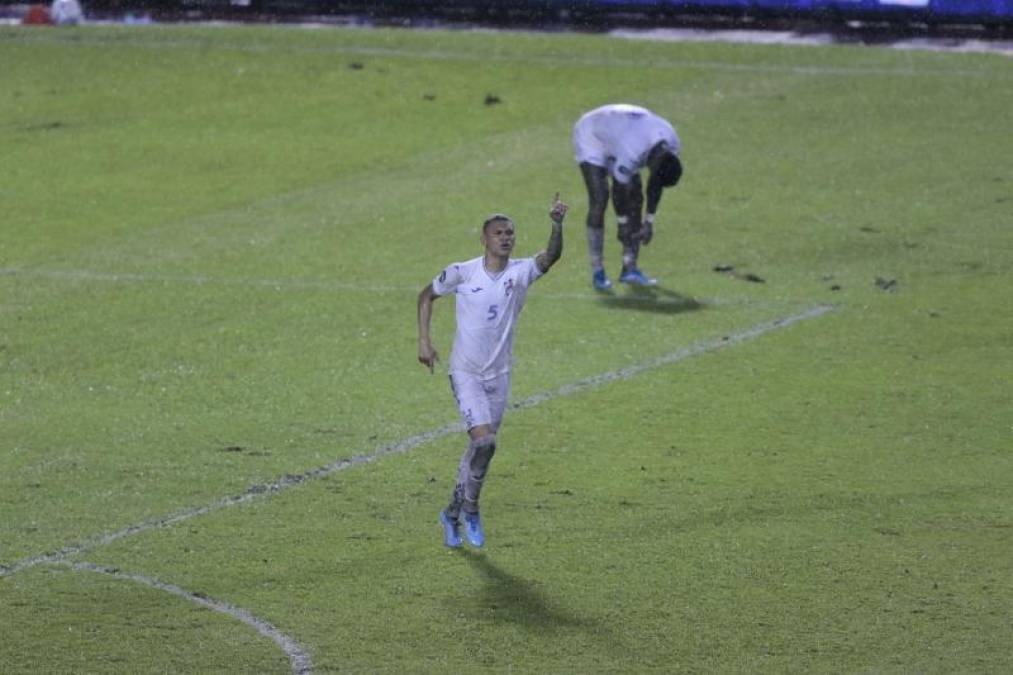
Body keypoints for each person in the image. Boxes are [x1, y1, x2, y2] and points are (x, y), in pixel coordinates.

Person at [418, 194, 567, 548]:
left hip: (499, 376)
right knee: (484, 440)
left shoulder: (520, 272)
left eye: (510, 233)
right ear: (484, 238)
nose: (506, 237)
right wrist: (424, 342)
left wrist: (557, 225)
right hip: (466, 372)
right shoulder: (462, 272)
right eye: (499, 232)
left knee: (479, 450)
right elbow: (425, 296)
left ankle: (452, 513)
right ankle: (470, 507)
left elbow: (551, 257)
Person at [572, 103, 683, 290]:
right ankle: (598, 271)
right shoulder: (633, 149)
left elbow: (656, 184)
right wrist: (622, 223)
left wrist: (649, 220)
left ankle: (629, 268)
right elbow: (619, 187)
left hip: (620, 132)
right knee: (600, 198)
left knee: (637, 197)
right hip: (592, 133)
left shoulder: (672, 145)